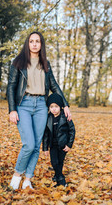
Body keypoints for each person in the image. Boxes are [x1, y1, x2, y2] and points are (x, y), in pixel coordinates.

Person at [7, 31, 71, 190]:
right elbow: (11, 86)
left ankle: (28, 179)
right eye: (31, 41)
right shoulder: (18, 62)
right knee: (28, 144)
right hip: (24, 104)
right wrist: (12, 110)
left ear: (41, 44)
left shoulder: (45, 64)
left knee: (36, 145)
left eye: (37, 41)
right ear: (27, 44)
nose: (34, 44)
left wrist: (66, 105)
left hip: (42, 106)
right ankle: (17, 176)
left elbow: (54, 86)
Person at [43, 93, 75, 187]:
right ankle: (61, 179)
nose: (54, 109)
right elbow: (45, 134)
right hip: (53, 145)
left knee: (60, 162)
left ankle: (57, 176)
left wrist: (69, 145)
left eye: (56, 106)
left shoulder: (65, 116)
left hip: (63, 145)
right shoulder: (48, 118)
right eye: (51, 106)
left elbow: (72, 131)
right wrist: (45, 148)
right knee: (54, 162)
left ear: (60, 106)